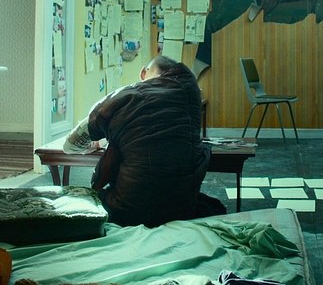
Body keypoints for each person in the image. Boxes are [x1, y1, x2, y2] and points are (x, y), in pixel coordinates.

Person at [64, 55, 212, 227]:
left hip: (128, 209)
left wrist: (101, 142)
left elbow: (70, 145)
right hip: (182, 208)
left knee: (115, 153)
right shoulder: (192, 94)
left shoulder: (127, 95)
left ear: (143, 73)